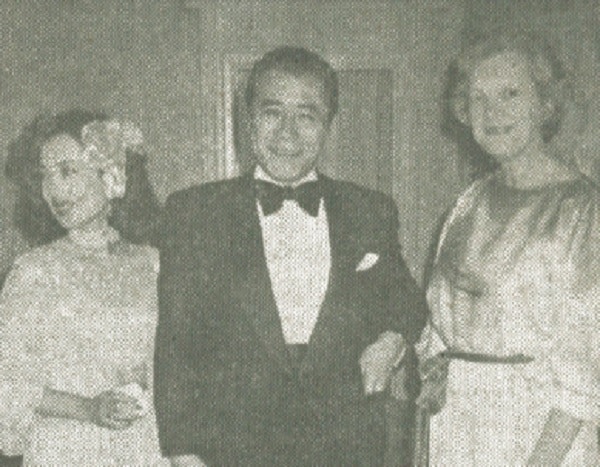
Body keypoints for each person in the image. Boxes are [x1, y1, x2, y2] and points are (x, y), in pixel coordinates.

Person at [154, 46, 428, 466]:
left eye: (307, 116)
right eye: (272, 112)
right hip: (230, 450)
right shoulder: (194, 213)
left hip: (345, 448)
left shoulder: (369, 210)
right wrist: (183, 454)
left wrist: (393, 340)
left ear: (328, 125)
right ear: (247, 121)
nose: (287, 134)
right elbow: (175, 346)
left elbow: (407, 298)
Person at [416, 31, 600, 465]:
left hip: (538, 439)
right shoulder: (468, 204)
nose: (491, 112)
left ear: (546, 104)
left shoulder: (584, 212)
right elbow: (439, 330)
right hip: (458, 433)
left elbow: (585, 368)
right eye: (478, 98)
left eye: (510, 94)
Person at [0, 110, 165, 465]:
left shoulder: (154, 264)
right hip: (67, 449)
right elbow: (6, 380)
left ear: (111, 174)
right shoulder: (34, 272)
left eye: (68, 171)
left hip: (143, 448)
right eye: (45, 176)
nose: (54, 190)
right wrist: (89, 408)